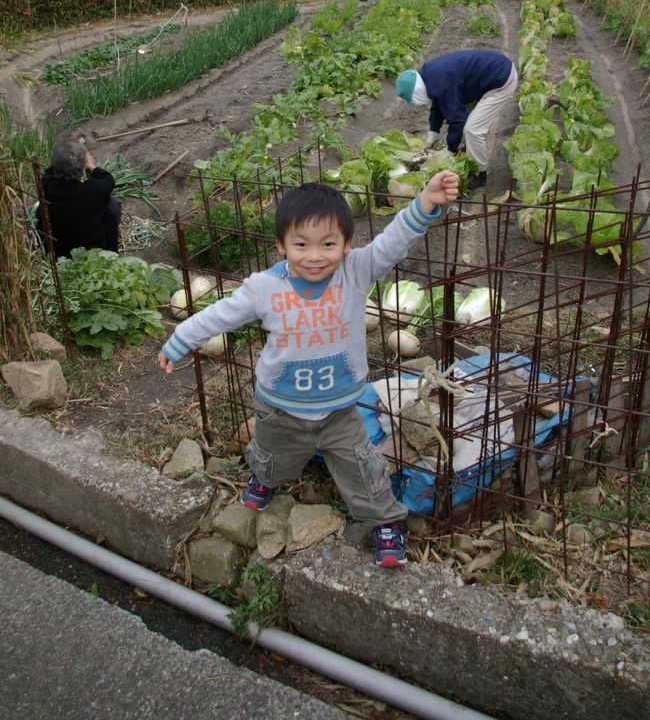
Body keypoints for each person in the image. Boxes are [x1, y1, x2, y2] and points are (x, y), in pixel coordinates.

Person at [158, 174, 459, 568]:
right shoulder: (264, 287)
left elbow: (393, 240)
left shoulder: (356, 271)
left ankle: (384, 520)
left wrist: (425, 201)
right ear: (282, 245)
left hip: (339, 412)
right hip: (279, 408)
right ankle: (264, 479)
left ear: (347, 245)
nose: (315, 256)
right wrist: (181, 338)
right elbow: (221, 313)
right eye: (301, 245)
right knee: (272, 457)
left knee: (363, 468)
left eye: (328, 244)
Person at [395, 49, 518, 190]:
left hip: (501, 79)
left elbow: (458, 120)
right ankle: (468, 150)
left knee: (473, 129)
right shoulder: (428, 76)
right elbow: (437, 103)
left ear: (415, 91)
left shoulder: (441, 84)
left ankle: (479, 174)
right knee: (466, 120)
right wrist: (432, 134)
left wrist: (450, 150)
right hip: (490, 72)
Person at [37, 139, 122, 259]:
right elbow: (108, 179)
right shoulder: (92, 190)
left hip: (57, 250)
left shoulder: (46, 184)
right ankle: (111, 250)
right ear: (82, 168)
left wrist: (66, 158)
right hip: (91, 251)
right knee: (112, 205)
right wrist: (92, 166)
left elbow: (51, 170)